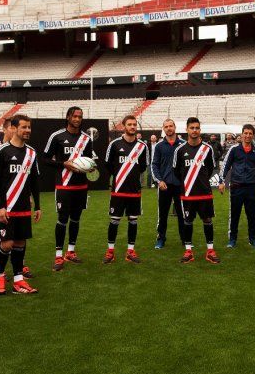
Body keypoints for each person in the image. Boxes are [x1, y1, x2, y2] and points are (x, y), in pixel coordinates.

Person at [0, 114, 41, 295]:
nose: (27, 130)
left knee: (20, 243)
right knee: (7, 244)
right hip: (6, 207)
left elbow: (34, 180)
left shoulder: (32, 153)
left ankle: (18, 280)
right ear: (14, 128)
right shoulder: (1, 151)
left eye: (29, 127)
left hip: (24, 207)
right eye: (24, 127)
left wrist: (38, 206)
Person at [43, 106, 96, 271]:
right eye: (75, 116)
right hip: (64, 185)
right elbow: (45, 159)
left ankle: (71, 252)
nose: (77, 119)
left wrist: (90, 167)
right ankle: (58, 256)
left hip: (81, 186)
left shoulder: (86, 139)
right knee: (62, 219)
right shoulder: (57, 136)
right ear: (68, 117)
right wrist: (63, 164)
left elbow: (89, 160)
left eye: (80, 116)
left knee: (76, 219)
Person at [173, 117, 220, 264]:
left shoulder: (207, 149)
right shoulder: (180, 150)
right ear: (186, 129)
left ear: (200, 130)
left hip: (204, 193)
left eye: (197, 128)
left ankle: (210, 250)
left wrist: (201, 181)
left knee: (207, 220)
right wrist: (188, 182)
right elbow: (176, 171)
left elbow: (211, 169)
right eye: (192, 128)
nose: (194, 130)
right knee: (187, 221)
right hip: (187, 194)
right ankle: (188, 251)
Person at [103, 115, 150, 263]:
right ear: (124, 126)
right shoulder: (115, 144)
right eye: (129, 124)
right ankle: (110, 252)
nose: (132, 127)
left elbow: (143, 166)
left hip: (134, 190)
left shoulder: (142, 146)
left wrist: (132, 176)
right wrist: (120, 175)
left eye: (134, 124)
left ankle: (130, 251)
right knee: (114, 221)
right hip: (118, 189)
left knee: (133, 221)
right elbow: (107, 164)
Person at [219, 124, 255, 248]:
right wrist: (221, 181)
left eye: (250, 133)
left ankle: (253, 239)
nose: (248, 135)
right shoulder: (234, 149)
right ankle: (232, 239)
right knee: (234, 215)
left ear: (253, 135)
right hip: (236, 187)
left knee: (252, 215)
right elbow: (225, 166)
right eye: (246, 133)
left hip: (250, 188)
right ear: (242, 134)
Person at [151, 118, 185, 249]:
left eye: (171, 126)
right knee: (163, 214)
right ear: (163, 129)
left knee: (182, 214)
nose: (169, 128)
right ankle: (161, 238)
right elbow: (154, 165)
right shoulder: (159, 146)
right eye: (166, 126)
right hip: (164, 185)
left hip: (180, 186)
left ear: (175, 127)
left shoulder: (183, 145)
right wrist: (159, 181)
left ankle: (185, 239)